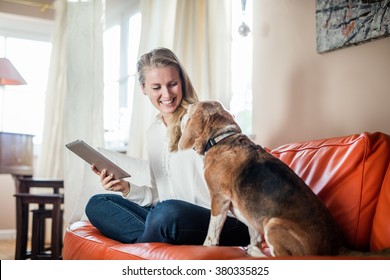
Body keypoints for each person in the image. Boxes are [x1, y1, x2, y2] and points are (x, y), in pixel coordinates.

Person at [85, 47, 249, 245]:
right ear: (143, 88)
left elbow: (239, 171)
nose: (166, 94)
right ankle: (150, 241)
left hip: (221, 221)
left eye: (173, 84)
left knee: (166, 213)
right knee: (98, 204)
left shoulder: (203, 118)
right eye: (156, 87)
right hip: (171, 217)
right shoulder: (153, 132)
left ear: (182, 82)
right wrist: (126, 188)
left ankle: (145, 245)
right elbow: (160, 196)